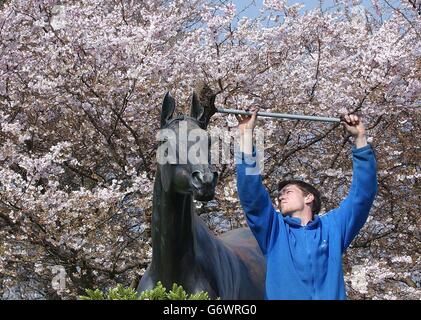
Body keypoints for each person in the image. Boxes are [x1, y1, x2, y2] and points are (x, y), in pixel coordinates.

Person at [235, 108, 378, 300]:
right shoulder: (274, 231)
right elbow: (251, 194)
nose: (280, 197)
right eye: (279, 194)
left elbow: (363, 195)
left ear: (308, 198)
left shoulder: (333, 227)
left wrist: (360, 139)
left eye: (288, 192)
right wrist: (245, 136)